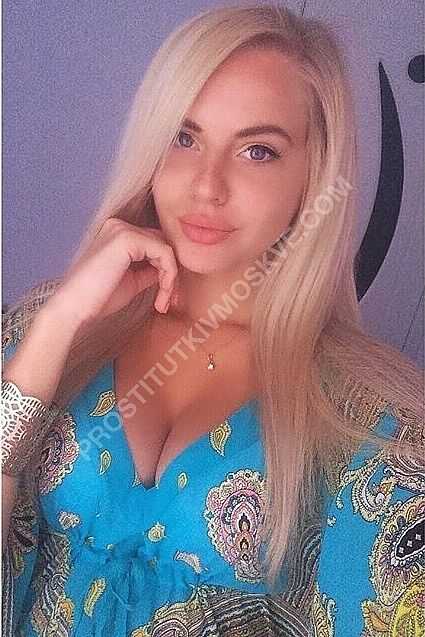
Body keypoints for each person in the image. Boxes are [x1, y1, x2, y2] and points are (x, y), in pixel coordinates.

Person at [2, 3, 424, 636]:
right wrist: (57, 325)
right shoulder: (41, 332)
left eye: (257, 151)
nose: (207, 186)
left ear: (313, 177)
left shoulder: (371, 417)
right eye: (184, 137)